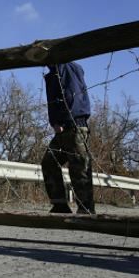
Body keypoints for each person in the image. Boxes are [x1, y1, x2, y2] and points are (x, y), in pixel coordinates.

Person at [41, 62, 94, 214]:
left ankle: (86, 209)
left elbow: (71, 93)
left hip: (73, 124)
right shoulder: (58, 70)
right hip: (65, 126)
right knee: (49, 162)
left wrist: (63, 120)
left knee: (79, 167)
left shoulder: (66, 69)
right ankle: (60, 205)